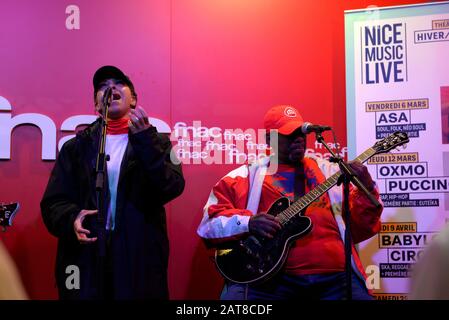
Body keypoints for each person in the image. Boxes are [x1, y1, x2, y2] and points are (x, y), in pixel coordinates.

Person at [197, 105, 383, 300]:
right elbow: (208, 225)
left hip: (336, 277)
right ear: (269, 139)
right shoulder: (243, 177)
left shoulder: (330, 172)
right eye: (289, 134)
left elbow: (364, 226)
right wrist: (249, 223)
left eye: (301, 133)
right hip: (271, 280)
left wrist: (366, 187)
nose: (299, 139)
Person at [41, 66, 185, 299]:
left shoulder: (161, 142)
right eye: (102, 86)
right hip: (86, 258)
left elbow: (174, 185)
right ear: (96, 105)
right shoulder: (75, 147)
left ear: (134, 99)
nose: (110, 88)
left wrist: (146, 143)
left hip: (137, 258)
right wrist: (72, 219)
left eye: (118, 83)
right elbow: (53, 203)